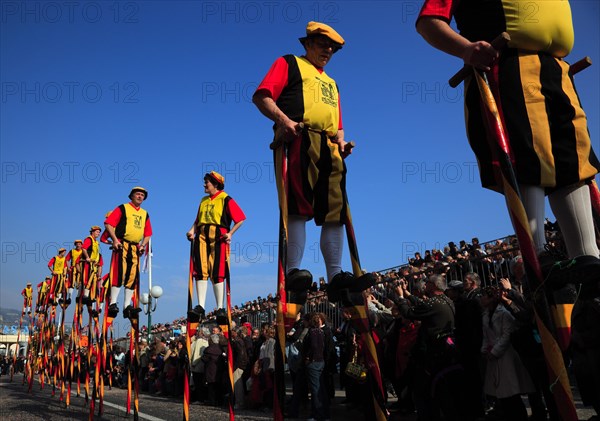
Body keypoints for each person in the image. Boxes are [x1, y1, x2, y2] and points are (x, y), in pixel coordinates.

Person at [415, 2, 600, 413]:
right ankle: (538, 260)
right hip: (508, 72)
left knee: (573, 163)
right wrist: (466, 50)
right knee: (527, 161)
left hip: (556, 73)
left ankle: (589, 260)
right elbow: (428, 22)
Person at [253, 21, 372, 313]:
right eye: (323, 44)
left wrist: (342, 143)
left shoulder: (332, 83)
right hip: (298, 137)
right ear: (307, 44)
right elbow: (262, 96)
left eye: (333, 47)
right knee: (298, 205)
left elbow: (339, 124)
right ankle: (294, 271)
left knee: (335, 211)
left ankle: (336, 275)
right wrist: (285, 121)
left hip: (329, 146)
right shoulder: (289, 63)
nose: (328, 50)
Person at [186, 171, 246, 318]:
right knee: (200, 269)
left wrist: (230, 233)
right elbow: (197, 220)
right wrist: (191, 231)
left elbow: (240, 218)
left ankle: (220, 307)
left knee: (218, 270)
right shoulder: (203, 200)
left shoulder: (226, 199)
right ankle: (200, 306)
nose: (204, 184)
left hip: (219, 236)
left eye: (207, 182)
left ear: (216, 184)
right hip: (201, 236)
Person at [104, 187, 152, 319]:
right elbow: (108, 224)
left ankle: (127, 306)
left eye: (142, 195)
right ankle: (113, 303)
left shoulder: (145, 213)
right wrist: (114, 240)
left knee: (132, 276)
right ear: (131, 196)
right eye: (138, 194)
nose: (140, 196)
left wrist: (142, 245)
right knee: (119, 273)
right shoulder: (122, 208)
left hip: (135, 247)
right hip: (122, 244)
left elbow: (148, 233)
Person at [65, 239, 84, 305]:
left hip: (81, 270)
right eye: (77, 244)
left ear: (81, 245)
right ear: (75, 245)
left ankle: (78, 297)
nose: (78, 245)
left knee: (80, 284)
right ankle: (69, 298)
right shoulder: (72, 251)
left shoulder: (83, 251)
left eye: (79, 244)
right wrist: (68, 267)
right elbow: (67, 259)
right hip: (73, 268)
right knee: (71, 283)